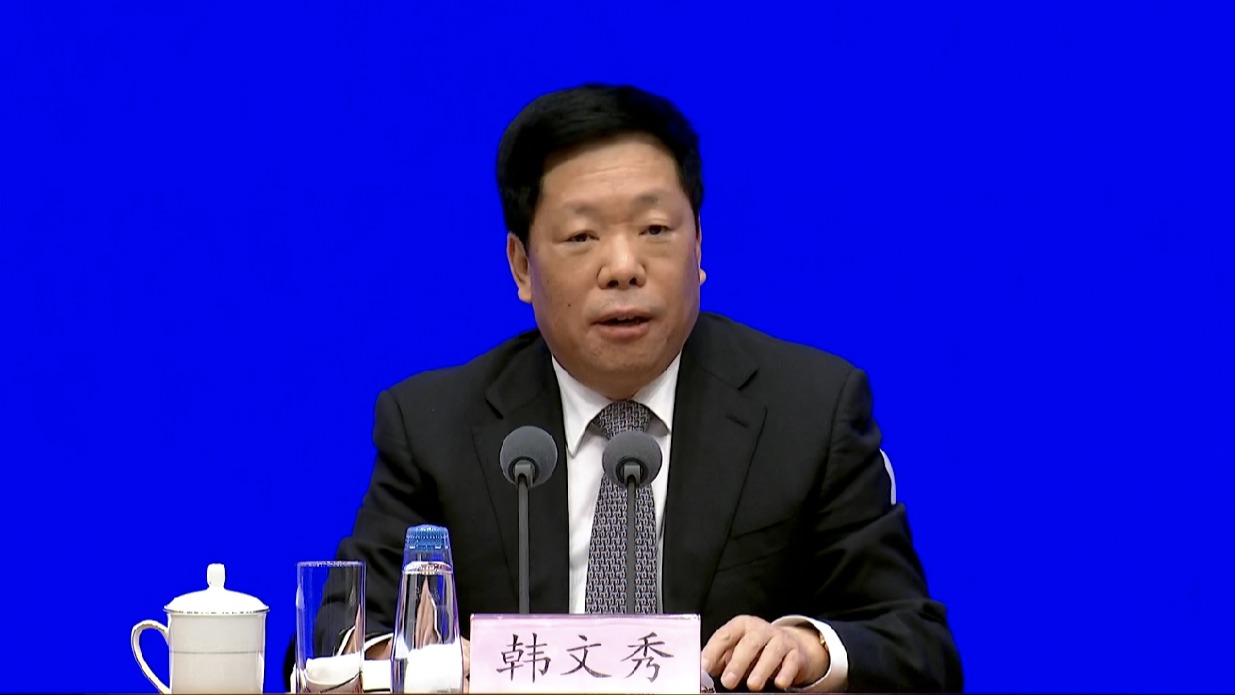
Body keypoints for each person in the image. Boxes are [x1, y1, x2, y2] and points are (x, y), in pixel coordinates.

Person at [313, 83, 962, 693]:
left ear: (699, 244)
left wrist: (811, 647)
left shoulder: (808, 409)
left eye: (654, 230)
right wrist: (423, 663)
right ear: (521, 266)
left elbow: (916, 646)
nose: (623, 267)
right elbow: (335, 640)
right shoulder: (436, 425)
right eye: (581, 236)